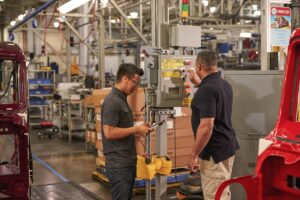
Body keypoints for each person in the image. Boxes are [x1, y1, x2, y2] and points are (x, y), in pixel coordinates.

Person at [187, 51, 240, 200]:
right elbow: (213, 97)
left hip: (214, 153)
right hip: (226, 147)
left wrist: (193, 155)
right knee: (223, 192)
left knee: (215, 195)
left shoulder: (206, 90)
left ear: (198, 66)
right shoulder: (224, 84)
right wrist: (198, 84)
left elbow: (206, 126)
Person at [101, 63, 153, 200]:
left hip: (127, 162)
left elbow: (122, 128)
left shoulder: (122, 100)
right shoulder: (112, 101)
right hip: (119, 165)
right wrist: (136, 129)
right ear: (124, 78)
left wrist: (139, 129)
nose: (136, 88)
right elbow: (109, 132)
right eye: (134, 82)